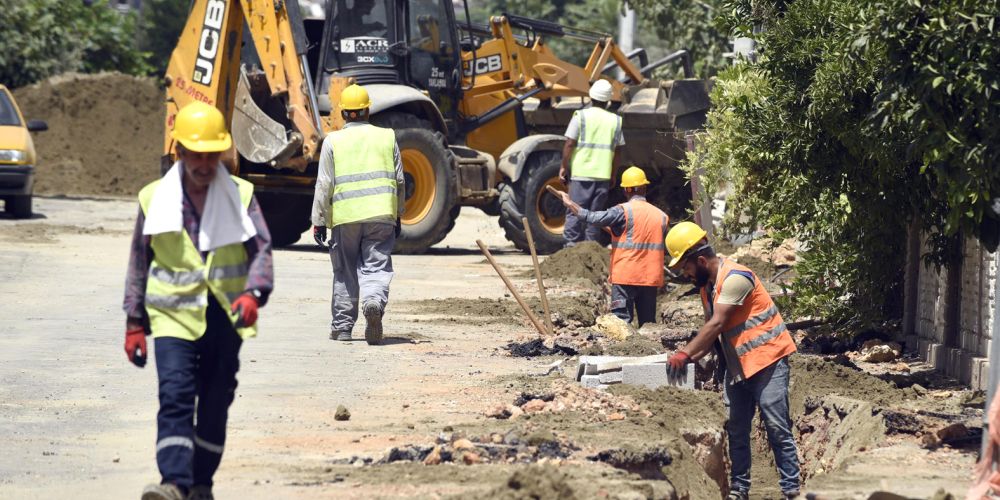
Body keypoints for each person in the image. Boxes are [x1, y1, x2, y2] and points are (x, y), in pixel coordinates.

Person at [122, 102, 274, 500]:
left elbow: (261, 250)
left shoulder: (241, 196)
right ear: (180, 152)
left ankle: (201, 483)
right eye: (197, 155)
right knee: (174, 394)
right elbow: (139, 262)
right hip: (172, 317)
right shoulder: (153, 198)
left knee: (214, 401)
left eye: (212, 155)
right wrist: (134, 323)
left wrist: (254, 293)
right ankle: (174, 483)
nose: (205, 164)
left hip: (226, 314)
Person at [664, 222, 800, 499]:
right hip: (737, 368)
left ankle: (791, 490)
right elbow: (713, 338)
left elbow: (717, 324)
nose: (686, 274)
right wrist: (689, 358)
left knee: (776, 428)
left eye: (686, 268)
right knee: (737, 429)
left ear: (701, 260)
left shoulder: (737, 277)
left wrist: (685, 353)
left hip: (767, 362)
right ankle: (739, 490)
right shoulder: (707, 289)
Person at [311, 84, 404, 345]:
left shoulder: (332, 141)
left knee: (344, 270)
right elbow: (399, 180)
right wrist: (399, 213)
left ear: (342, 113)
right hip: (381, 214)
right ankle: (373, 301)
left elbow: (324, 184)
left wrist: (318, 221)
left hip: (345, 217)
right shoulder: (387, 137)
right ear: (367, 110)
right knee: (376, 266)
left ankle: (342, 328)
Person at [555, 166, 667, 326]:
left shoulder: (623, 211)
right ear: (645, 188)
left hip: (625, 277)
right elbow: (638, 234)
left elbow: (590, 217)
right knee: (648, 324)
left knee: (621, 324)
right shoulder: (661, 216)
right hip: (650, 278)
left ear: (626, 190)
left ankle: (622, 351)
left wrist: (569, 203)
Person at [560, 79, 624, 246]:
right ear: (608, 100)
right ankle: (590, 251)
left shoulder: (580, 116)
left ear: (591, 97)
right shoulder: (615, 120)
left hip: (582, 175)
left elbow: (569, 143)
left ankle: (570, 251)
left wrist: (563, 167)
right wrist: (613, 174)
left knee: (574, 212)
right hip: (602, 176)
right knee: (595, 216)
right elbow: (618, 151)